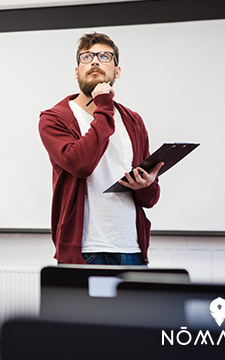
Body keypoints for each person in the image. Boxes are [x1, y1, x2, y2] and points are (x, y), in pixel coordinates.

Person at [38, 32, 163, 265]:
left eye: (105, 56)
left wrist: (145, 186)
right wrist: (104, 106)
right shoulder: (54, 119)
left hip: (132, 249)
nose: (95, 61)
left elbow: (151, 199)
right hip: (85, 250)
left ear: (117, 71)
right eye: (86, 57)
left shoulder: (133, 121)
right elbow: (81, 164)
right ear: (76, 71)